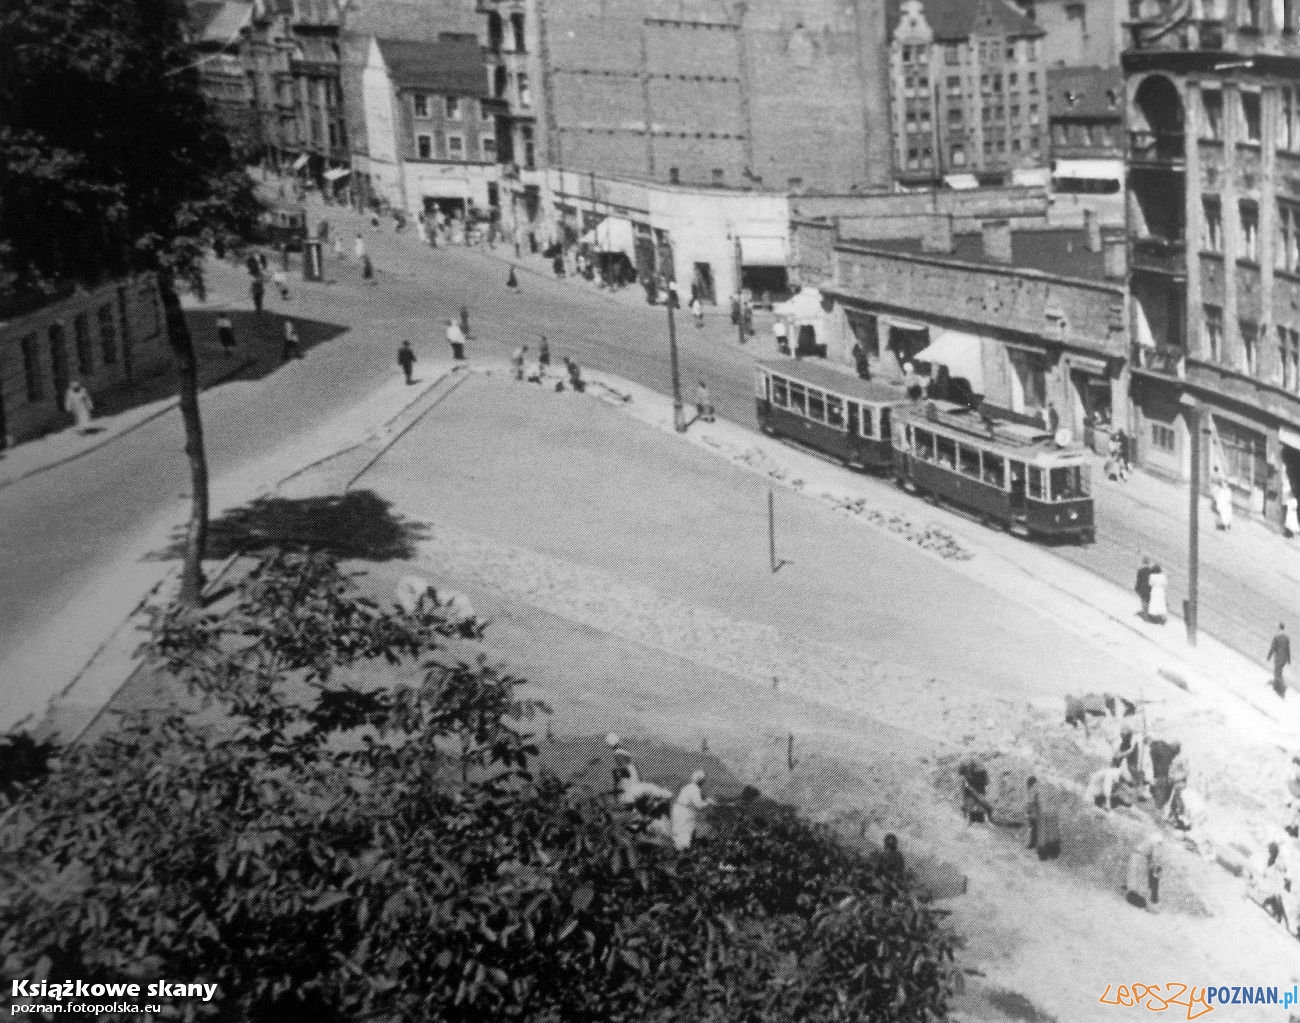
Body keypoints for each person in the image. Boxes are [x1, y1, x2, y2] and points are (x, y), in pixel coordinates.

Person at [670, 770, 713, 850]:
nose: (703, 783)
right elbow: (699, 806)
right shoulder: (695, 789)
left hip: (678, 810)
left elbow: (699, 797)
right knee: (685, 834)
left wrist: (706, 799)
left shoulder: (688, 786)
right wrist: (708, 803)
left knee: (678, 832)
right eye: (703, 781)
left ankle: (677, 850)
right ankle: (682, 852)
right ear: (700, 781)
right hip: (685, 813)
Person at [1125, 833, 1164, 909]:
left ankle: (1131, 893)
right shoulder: (1156, 843)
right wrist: (1157, 867)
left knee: (1133, 875)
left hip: (1134, 855)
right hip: (1141, 858)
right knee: (1139, 878)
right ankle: (1136, 898)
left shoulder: (1148, 841)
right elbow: (1155, 857)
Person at [1268, 623, 1291, 699]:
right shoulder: (1287, 638)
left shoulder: (1277, 637)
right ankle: (1278, 686)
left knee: (1277, 672)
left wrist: (1269, 656)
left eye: (1277, 627)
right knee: (1279, 671)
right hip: (1284, 659)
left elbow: (1273, 647)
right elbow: (1288, 649)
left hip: (1278, 658)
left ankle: (1280, 691)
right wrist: (1288, 659)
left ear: (1279, 628)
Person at [1024, 776, 1041, 852]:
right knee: (1034, 828)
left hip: (1035, 812)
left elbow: (1032, 803)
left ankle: (1033, 844)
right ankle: (1033, 843)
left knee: (1034, 827)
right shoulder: (1035, 791)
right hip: (1035, 812)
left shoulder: (1034, 791)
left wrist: (1029, 812)